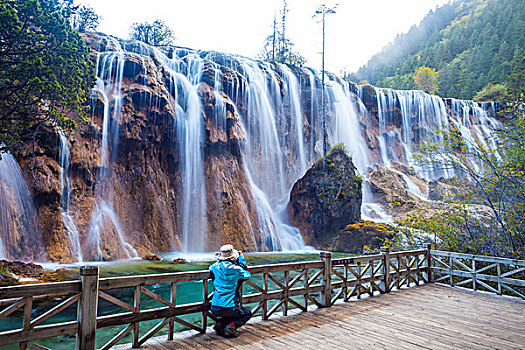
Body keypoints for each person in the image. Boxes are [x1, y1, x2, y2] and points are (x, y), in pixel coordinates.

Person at [209, 244, 252, 337]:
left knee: (229, 315)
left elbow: (212, 271)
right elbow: (247, 275)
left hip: (215, 306)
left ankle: (220, 324)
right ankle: (231, 326)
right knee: (247, 314)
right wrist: (241, 260)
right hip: (230, 307)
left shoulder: (214, 267)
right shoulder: (235, 269)